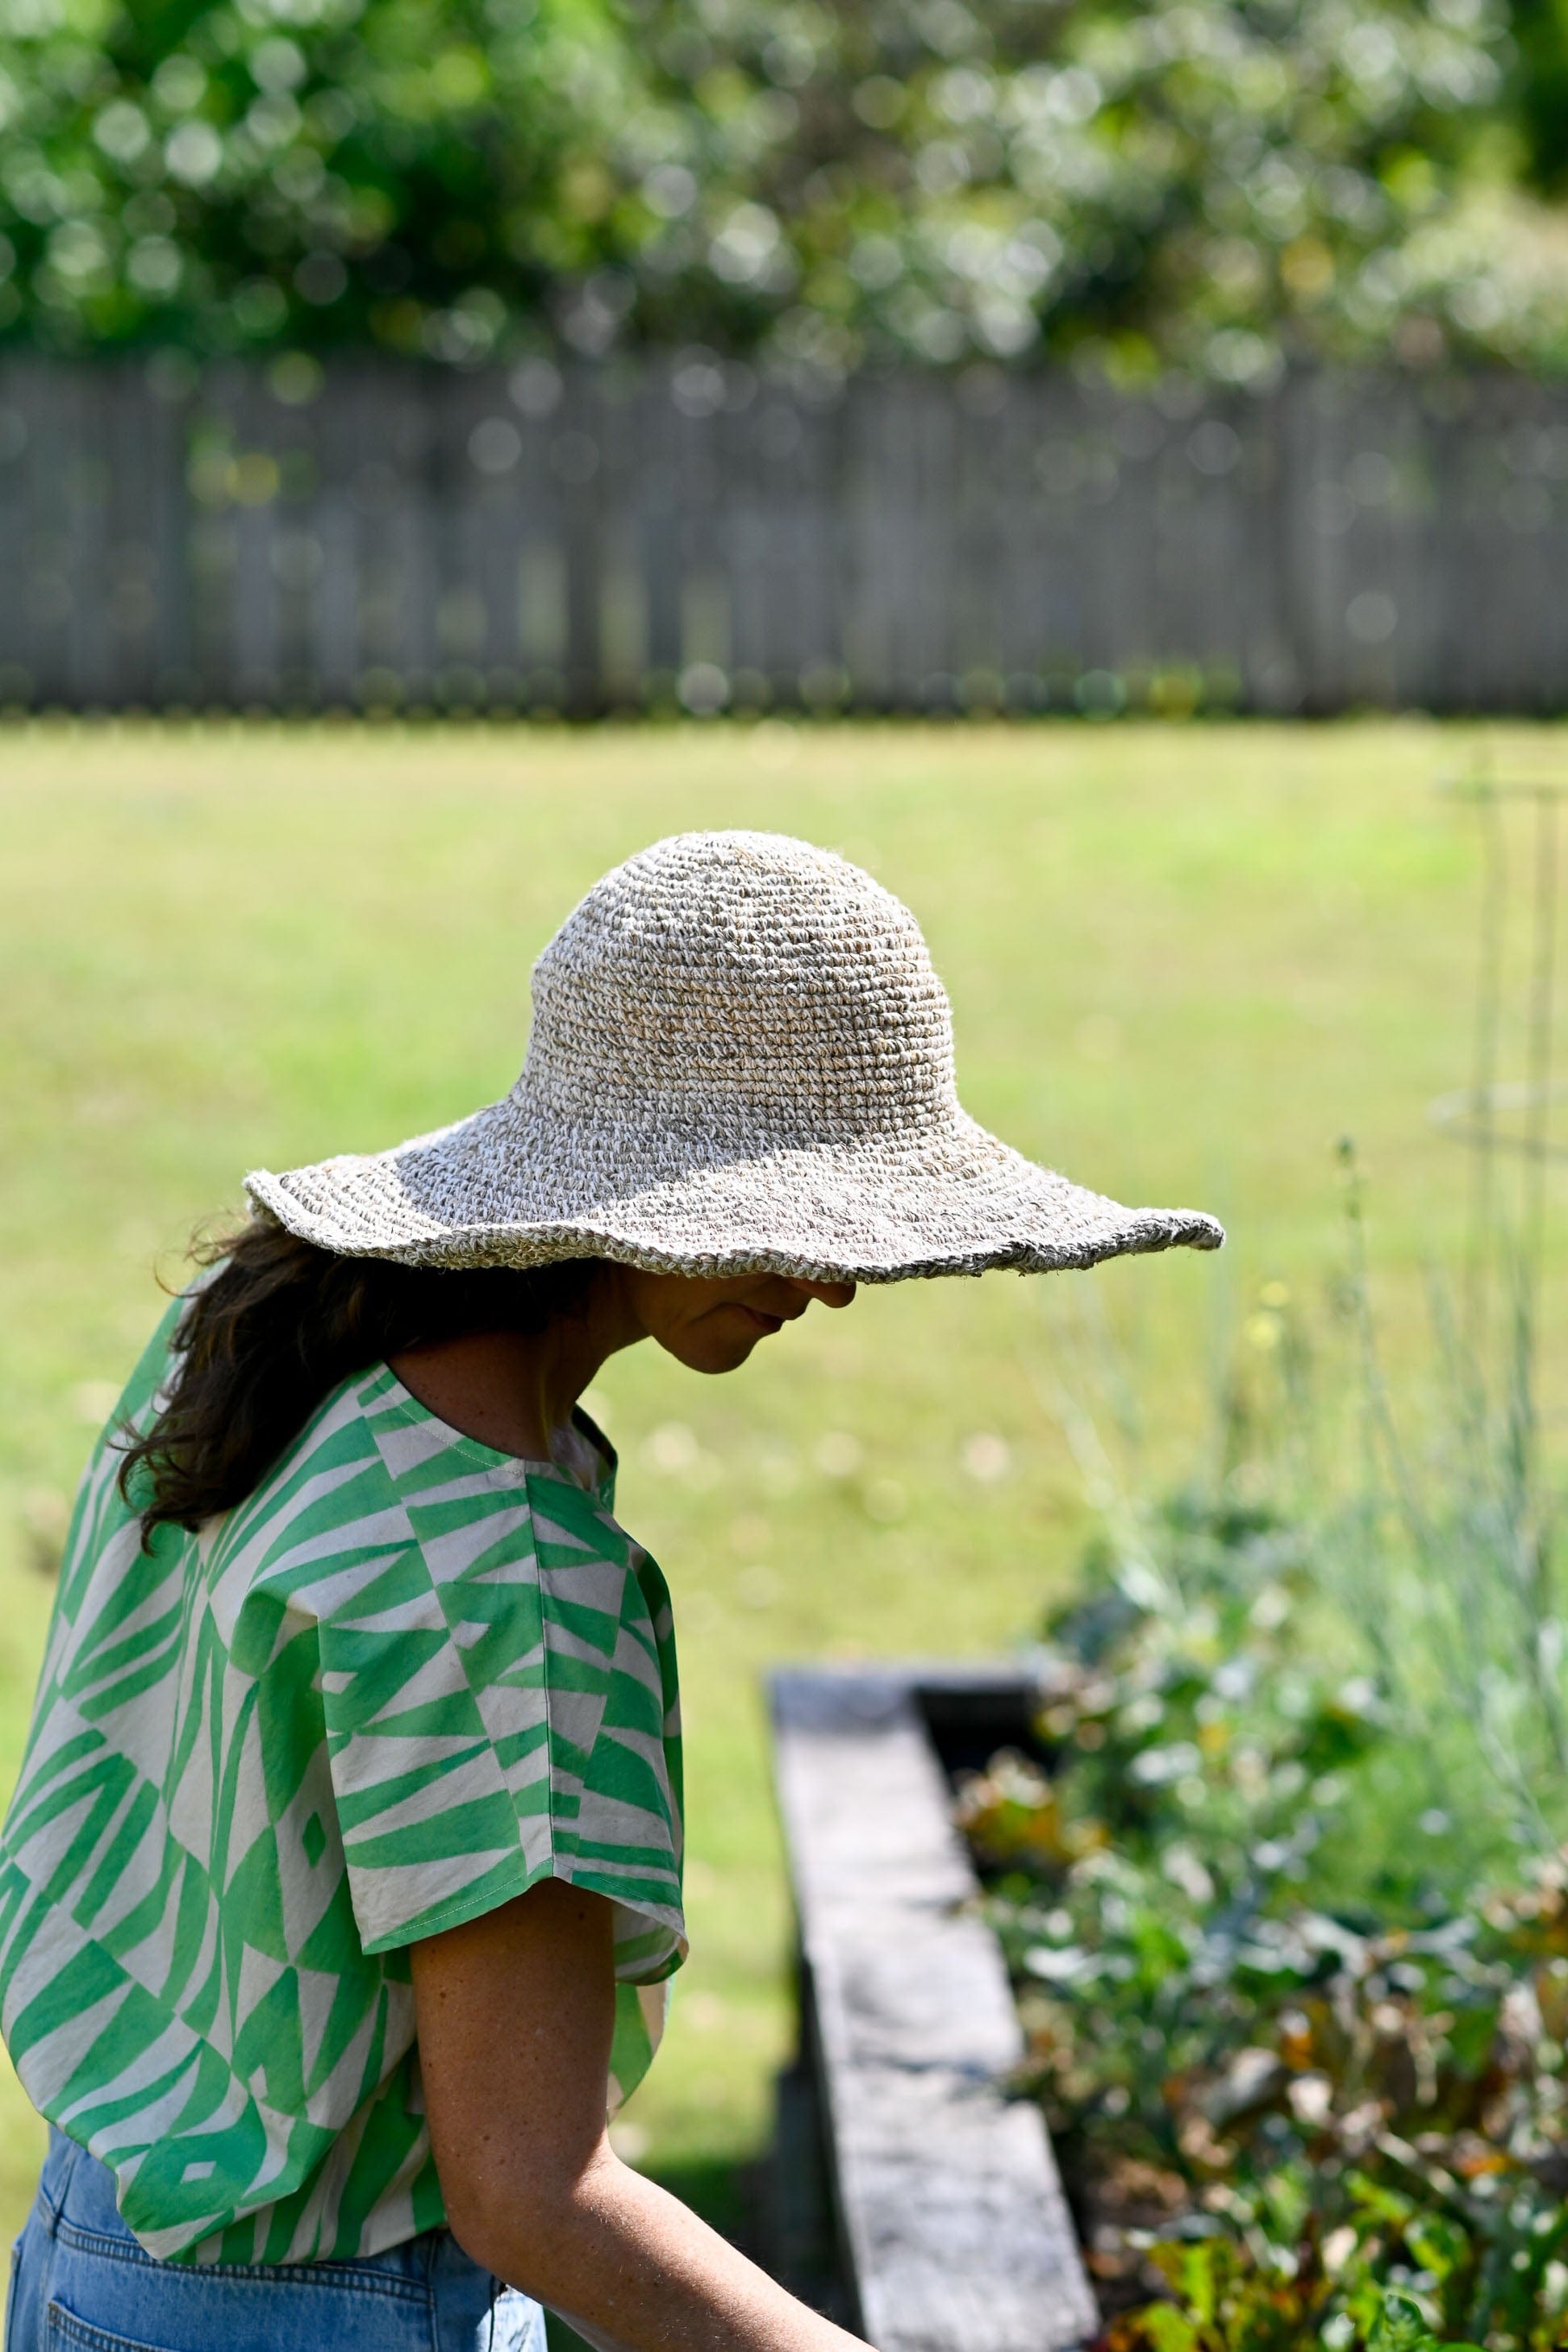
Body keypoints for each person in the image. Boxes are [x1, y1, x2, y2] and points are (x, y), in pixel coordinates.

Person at [0, 829, 1221, 2352]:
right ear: (657, 1185)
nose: (832, 1283)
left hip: (86, 2253)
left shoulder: (256, 1329)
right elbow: (529, 2192)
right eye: (801, 1221)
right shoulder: (510, 1575)